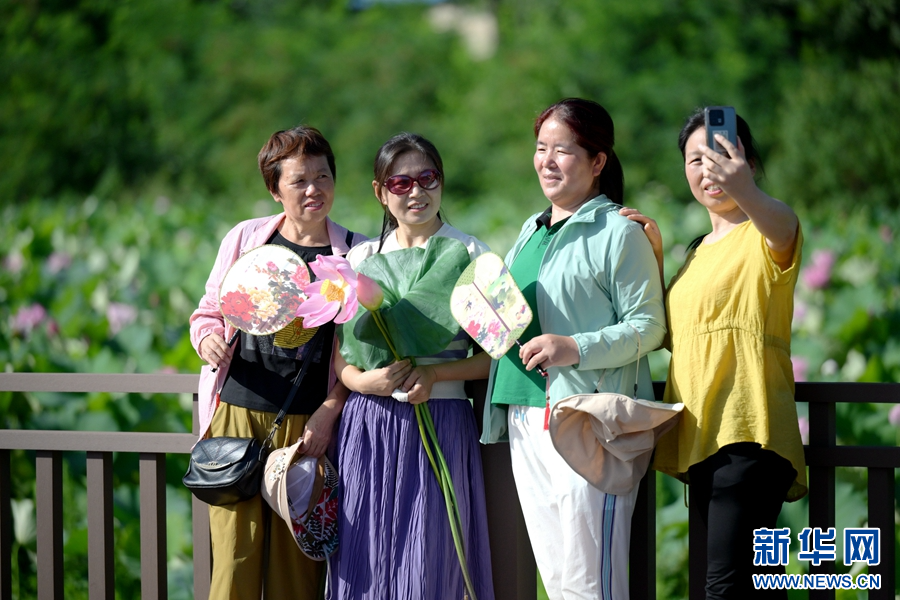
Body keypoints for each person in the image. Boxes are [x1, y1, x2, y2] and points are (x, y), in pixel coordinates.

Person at [480, 98, 666, 600]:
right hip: (523, 415)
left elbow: (649, 327)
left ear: (597, 160)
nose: (547, 160)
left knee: (592, 584)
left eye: (562, 150)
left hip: (584, 419)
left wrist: (573, 347)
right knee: (559, 581)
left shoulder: (618, 233)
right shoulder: (530, 229)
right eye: (541, 148)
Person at [620, 108, 808, 599]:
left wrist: (744, 188)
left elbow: (784, 228)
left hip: (749, 434)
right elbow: (672, 333)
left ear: (744, 159)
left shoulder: (766, 229)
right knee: (745, 588)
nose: (708, 170)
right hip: (704, 438)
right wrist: (657, 254)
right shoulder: (699, 249)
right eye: (694, 160)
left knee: (724, 589)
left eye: (720, 154)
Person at [189, 125, 367, 600]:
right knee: (233, 560)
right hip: (237, 416)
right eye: (299, 181)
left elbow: (363, 349)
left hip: (308, 428)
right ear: (274, 188)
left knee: (298, 570)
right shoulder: (248, 239)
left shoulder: (357, 253)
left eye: (324, 177)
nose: (315, 190)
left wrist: (332, 408)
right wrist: (207, 339)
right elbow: (208, 311)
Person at [329, 132, 495, 600]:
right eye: (400, 183)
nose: (416, 192)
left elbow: (498, 358)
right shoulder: (359, 260)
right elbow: (341, 356)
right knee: (366, 564)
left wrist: (437, 374)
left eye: (427, 178)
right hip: (369, 425)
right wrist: (364, 381)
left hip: (441, 424)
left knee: (431, 566)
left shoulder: (474, 256)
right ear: (381, 193)